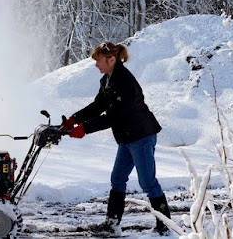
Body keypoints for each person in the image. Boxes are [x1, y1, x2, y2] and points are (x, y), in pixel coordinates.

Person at [61, 42, 171, 237]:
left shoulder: (125, 82)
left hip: (141, 136)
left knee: (147, 182)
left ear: (111, 60)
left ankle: (166, 227)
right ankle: (112, 224)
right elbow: (97, 106)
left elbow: (114, 116)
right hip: (126, 137)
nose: (96, 65)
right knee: (117, 179)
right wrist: (74, 119)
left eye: (99, 61)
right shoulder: (108, 80)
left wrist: (84, 129)